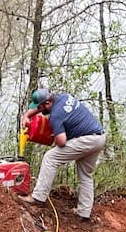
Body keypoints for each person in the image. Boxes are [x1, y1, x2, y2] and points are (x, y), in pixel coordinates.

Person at [19, 88, 106, 221]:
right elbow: (43, 107)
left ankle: (38, 197)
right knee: (86, 175)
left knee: (50, 158)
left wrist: (53, 132)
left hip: (86, 140)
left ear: (48, 103)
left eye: (40, 107)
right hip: (98, 138)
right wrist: (27, 115)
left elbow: (61, 141)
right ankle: (84, 213)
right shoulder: (63, 97)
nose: (40, 111)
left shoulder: (56, 116)